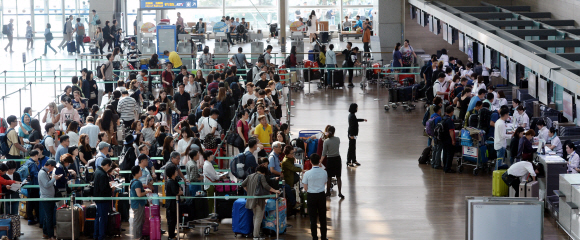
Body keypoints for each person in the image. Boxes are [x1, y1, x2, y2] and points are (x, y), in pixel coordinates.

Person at [241, 165, 281, 239]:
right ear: (264, 172)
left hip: (251, 200)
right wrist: (275, 190)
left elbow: (243, 184)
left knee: (255, 217)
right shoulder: (261, 176)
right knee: (258, 218)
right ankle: (256, 236)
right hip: (259, 200)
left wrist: (248, 192)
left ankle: (255, 234)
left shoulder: (250, 176)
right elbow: (266, 186)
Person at [302, 153, 327, 240]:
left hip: (311, 196)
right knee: (322, 217)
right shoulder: (324, 172)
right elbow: (325, 183)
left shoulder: (307, 173)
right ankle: (324, 237)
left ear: (310, 162)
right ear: (319, 160)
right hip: (321, 196)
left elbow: (305, 188)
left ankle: (314, 237)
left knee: (312, 218)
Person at [319, 126, 343, 198]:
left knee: (329, 177)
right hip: (337, 159)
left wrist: (320, 162)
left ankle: (328, 192)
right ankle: (340, 193)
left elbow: (323, 154)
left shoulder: (326, 142)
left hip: (330, 160)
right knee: (338, 177)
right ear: (334, 132)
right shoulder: (338, 139)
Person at [39, 160, 60, 240]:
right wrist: (54, 179)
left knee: (47, 216)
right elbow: (46, 185)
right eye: (53, 167)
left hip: (49, 197)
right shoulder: (42, 173)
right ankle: (51, 235)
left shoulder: (44, 172)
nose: (53, 169)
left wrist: (52, 178)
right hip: (47, 198)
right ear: (50, 165)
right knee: (49, 217)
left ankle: (45, 233)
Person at [93, 158, 112, 240]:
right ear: (107, 165)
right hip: (103, 199)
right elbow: (104, 189)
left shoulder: (97, 171)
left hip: (98, 199)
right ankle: (101, 236)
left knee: (98, 218)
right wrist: (111, 189)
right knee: (103, 218)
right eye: (109, 166)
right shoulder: (103, 174)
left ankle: (96, 235)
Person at [130, 165, 151, 240]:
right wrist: (146, 192)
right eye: (140, 171)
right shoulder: (137, 182)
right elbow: (139, 194)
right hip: (138, 204)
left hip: (136, 204)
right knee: (138, 221)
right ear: (136, 173)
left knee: (139, 220)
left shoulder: (133, 181)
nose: (141, 172)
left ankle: (138, 236)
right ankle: (137, 237)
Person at [23, 151, 41, 224]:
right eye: (38, 156)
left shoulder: (27, 162)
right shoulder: (32, 164)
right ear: (36, 155)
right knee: (35, 203)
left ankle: (30, 218)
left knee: (30, 202)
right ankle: (35, 218)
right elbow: (36, 175)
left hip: (28, 185)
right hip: (34, 185)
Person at [440, 106, 457, 173]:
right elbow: (451, 131)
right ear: (452, 112)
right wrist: (453, 140)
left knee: (445, 152)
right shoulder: (450, 120)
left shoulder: (443, 118)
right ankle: (448, 168)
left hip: (443, 138)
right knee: (450, 154)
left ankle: (445, 166)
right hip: (448, 139)